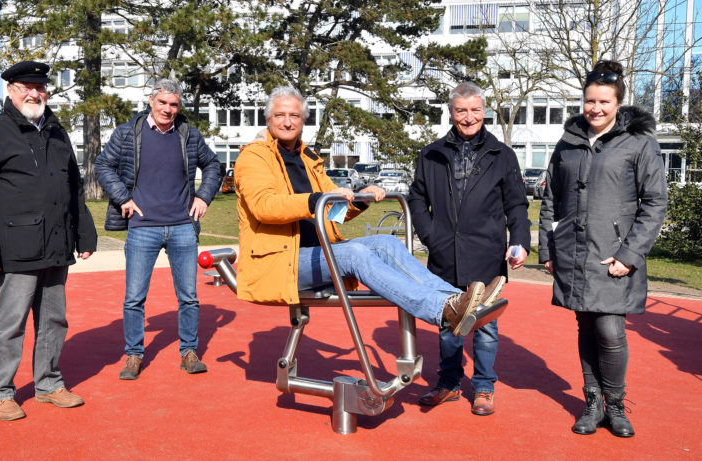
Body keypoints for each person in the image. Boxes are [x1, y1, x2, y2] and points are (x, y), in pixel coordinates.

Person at [234, 86, 501, 337]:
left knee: (386, 243)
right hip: (278, 262)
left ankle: (456, 300)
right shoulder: (255, 156)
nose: (288, 122)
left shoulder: (308, 159)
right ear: (268, 118)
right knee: (355, 253)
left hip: (317, 254)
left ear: (304, 120)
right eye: (280, 115)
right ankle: (440, 309)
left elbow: (332, 212)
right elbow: (263, 207)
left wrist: (360, 199)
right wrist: (315, 199)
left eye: (294, 115)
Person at [538, 60, 667, 437]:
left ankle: (616, 404)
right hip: (573, 252)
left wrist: (630, 255)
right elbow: (551, 199)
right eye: (590, 101)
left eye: (604, 102)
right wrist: (547, 248)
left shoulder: (639, 143)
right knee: (586, 327)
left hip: (613, 256)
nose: (595, 108)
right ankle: (592, 402)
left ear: (619, 104)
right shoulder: (567, 144)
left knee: (610, 331)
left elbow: (655, 203)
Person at [0, 61, 98, 421]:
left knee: (55, 320)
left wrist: (84, 233)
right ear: (10, 90)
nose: (34, 93)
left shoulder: (57, 131)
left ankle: (49, 384)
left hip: (57, 244)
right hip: (14, 249)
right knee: (10, 324)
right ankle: (1, 392)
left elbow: (74, 188)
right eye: (25, 86)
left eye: (40, 86)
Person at [408, 82, 531, 416]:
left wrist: (519, 240)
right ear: (451, 112)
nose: (469, 117)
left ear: (484, 111)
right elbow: (417, 197)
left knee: (486, 326)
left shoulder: (502, 155)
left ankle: (484, 387)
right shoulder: (431, 153)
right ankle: (448, 384)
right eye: (461, 110)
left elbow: (517, 205)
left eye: (475, 110)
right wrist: (430, 235)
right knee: (449, 323)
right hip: (444, 251)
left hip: (487, 252)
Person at [95, 79, 220, 380]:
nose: (168, 109)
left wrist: (204, 196)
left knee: (188, 296)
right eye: (162, 102)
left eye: (174, 104)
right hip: (142, 228)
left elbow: (213, 165)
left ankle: (189, 352)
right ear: (151, 100)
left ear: (179, 106)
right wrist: (122, 197)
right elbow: (103, 165)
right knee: (134, 298)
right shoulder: (128, 132)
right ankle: (133, 356)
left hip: (182, 227)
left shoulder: (188, 134)